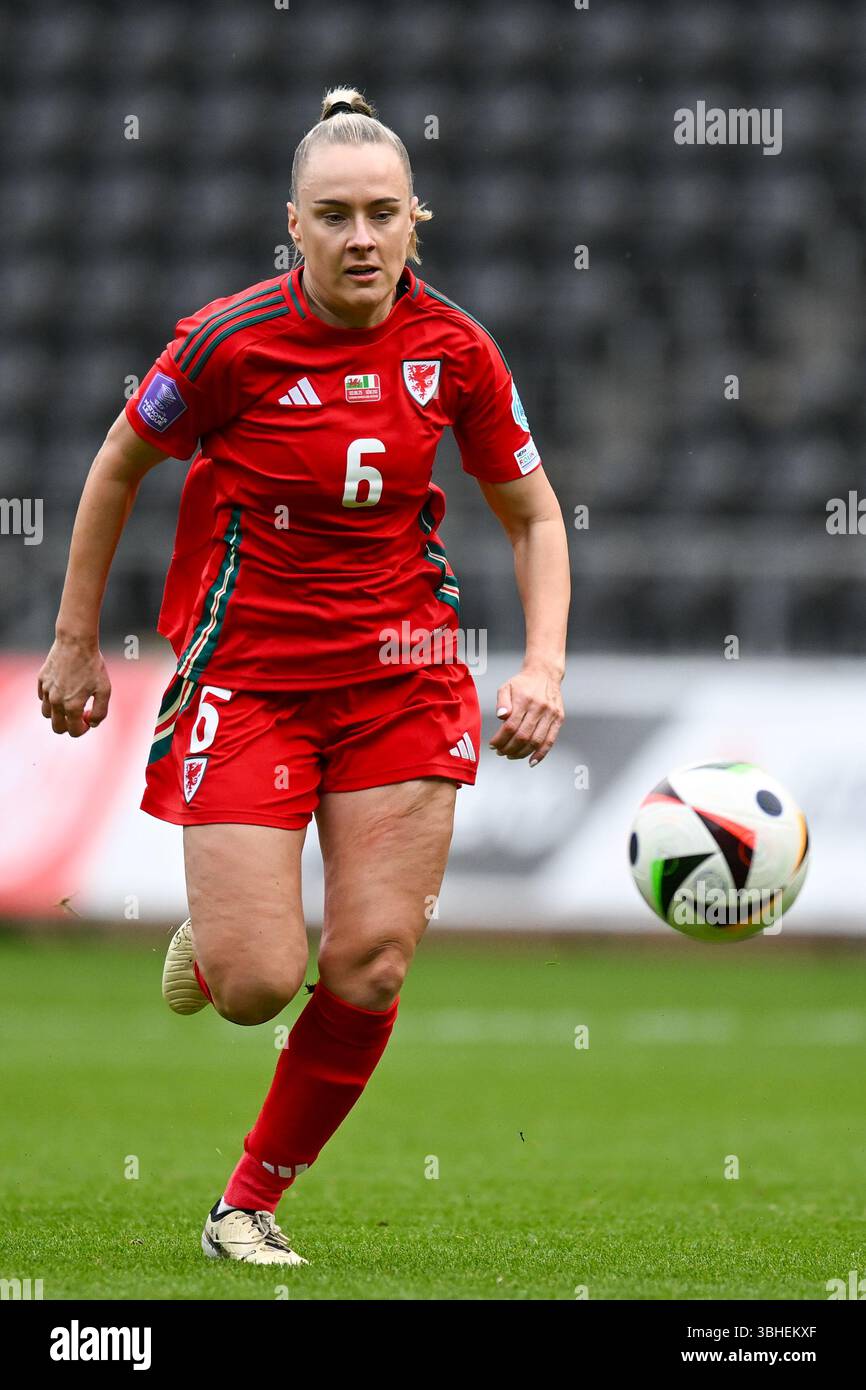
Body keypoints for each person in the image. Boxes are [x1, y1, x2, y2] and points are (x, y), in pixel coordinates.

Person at [37, 86, 570, 1266]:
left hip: (404, 671)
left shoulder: (456, 350)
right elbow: (118, 463)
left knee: (371, 964)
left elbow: (531, 512)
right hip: (253, 676)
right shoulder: (226, 342)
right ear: (294, 223)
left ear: (416, 218)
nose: (362, 236)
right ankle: (232, 935)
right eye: (335, 215)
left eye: (383, 212)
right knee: (255, 984)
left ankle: (247, 1200)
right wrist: (77, 642)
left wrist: (540, 661)